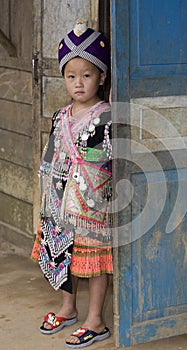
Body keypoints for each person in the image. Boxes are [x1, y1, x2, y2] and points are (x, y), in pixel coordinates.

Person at [31, 18, 113, 348]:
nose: (78, 83)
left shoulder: (105, 115)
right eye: (71, 76)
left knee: (92, 260)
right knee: (62, 251)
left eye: (87, 75)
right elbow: (50, 158)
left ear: (102, 77)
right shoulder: (60, 116)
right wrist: (48, 195)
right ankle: (68, 308)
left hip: (90, 204)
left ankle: (96, 319)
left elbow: (103, 161)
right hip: (60, 199)